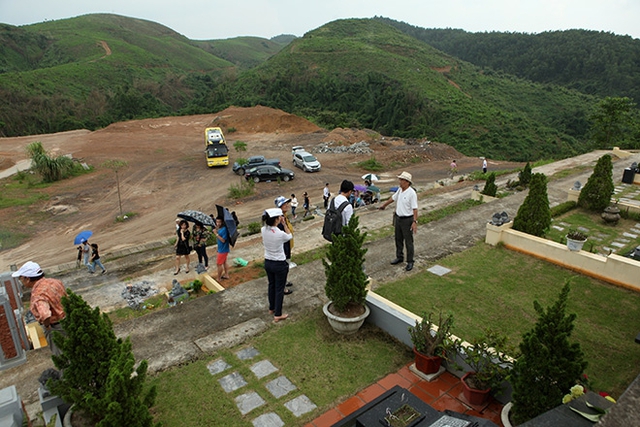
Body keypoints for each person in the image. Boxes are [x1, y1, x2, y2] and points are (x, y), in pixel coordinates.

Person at [12, 261, 66, 355]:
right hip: (67, 319)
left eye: (21, 279)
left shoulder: (38, 294)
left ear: (27, 279)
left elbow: (45, 314)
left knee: (61, 354)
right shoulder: (54, 282)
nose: (21, 282)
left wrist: (47, 325)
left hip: (56, 326)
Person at [378, 171, 418, 271]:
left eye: (402, 180)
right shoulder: (400, 190)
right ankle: (399, 257)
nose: (400, 182)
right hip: (398, 218)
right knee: (398, 239)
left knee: (408, 241)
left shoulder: (411, 193)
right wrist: (384, 205)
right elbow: (393, 198)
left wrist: (414, 222)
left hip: (407, 219)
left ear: (407, 182)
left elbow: (415, 209)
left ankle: (410, 261)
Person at [261, 208, 292, 323]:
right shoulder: (279, 233)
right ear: (277, 219)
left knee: (271, 285)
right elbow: (289, 236)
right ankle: (278, 314)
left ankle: (271, 308)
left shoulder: (263, 230)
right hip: (279, 263)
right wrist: (284, 225)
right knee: (279, 289)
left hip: (268, 262)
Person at [275, 196, 296, 273]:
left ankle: (288, 262)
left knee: (288, 250)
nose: (287, 205)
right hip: (284, 241)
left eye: (287, 203)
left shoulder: (284, 215)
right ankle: (287, 264)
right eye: (284, 204)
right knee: (286, 251)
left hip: (287, 240)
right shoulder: (279, 219)